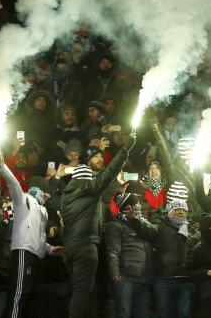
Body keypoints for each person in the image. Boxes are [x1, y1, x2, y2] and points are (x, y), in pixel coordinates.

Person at [60, 133, 135, 318]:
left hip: (69, 249)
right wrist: (125, 149)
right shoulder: (89, 189)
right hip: (86, 247)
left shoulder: (66, 194)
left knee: (79, 290)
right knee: (83, 292)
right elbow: (109, 173)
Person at [0, 154, 63, 318]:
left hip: (36, 256)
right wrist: (2, 166)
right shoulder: (24, 200)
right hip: (23, 252)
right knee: (19, 293)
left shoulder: (43, 211)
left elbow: (38, 236)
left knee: (27, 295)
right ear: (38, 189)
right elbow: (13, 184)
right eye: (45, 191)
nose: (47, 195)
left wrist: (50, 248)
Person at [106, 192, 153, 318]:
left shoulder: (142, 226)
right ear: (128, 208)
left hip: (144, 279)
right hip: (125, 280)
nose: (139, 207)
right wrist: (115, 274)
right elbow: (113, 251)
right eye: (136, 205)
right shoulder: (116, 225)